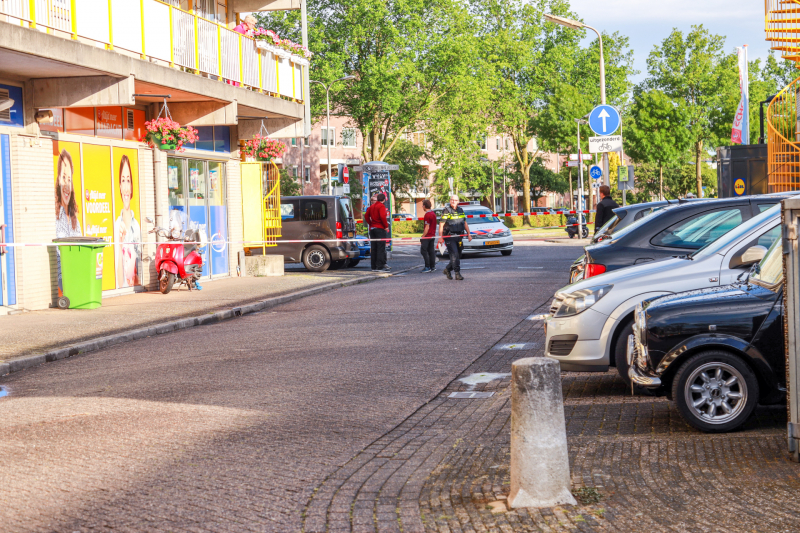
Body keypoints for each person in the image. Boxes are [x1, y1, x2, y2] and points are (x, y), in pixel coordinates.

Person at [55, 149, 82, 293]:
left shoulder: (73, 217)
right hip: (62, 275)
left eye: (69, 179)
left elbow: (81, 243)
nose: (66, 184)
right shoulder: (53, 215)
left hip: (75, 268)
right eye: (63, 177)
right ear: (58, 179)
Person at [115, 155, 142, 288]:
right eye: (123, 181)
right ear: (119, 186)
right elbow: (119, 283)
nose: (126, 187)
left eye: (128, 180)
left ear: (132, 186)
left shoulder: (136, 226)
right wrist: (120, 244)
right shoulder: (116, 225)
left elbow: (140, 264)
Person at [437, 195, 471, 280]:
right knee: (454, 255)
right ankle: (457, 273)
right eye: (452, 200)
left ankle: (447, 270)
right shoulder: (446, 211)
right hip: (449, 236)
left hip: (459, 236)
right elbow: (441, 225)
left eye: (455, 200)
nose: (453, 201)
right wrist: (440, 237)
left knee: (458, 255)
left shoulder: (461, 210)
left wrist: (469, 233)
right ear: (450, 200)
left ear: (458, 201)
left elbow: (465, 223)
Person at [364, 192, 390, 272]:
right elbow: (382, 216)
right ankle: (380, 266)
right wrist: (386, 226)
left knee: (374, 248)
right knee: (380, 248)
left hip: (372, 229)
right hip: (380, 229)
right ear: (384, 200)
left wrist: (370, 223)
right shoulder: (381, 206)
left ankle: (374, 266)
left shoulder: (371, 206)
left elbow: (366, 216)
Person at [420, 199, 437, 273]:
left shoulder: (427, 215)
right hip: (432, 235)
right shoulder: (433, 213)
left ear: (424, 206)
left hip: (428, 236)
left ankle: (427, 266)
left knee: (423, 250)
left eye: (422, 206)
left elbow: (427, 227)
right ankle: (432, 266)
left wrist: (423, 236)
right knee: (431, 251)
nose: (422, 207)